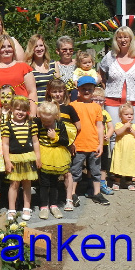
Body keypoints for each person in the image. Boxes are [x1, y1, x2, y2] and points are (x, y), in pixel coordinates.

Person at [70, 76, 109, 206]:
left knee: (96, 171)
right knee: (75, 171)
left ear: (93, 90)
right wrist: (72, 143)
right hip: (78, 145)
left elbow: (99, 126)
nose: (87, 91)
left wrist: (100, 144)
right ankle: (72, 194)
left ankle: (97, 193)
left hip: (93, 145)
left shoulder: (97, 107)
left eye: (90, 89)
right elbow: (70, 127)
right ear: (78, 90)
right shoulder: (73, 106)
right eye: (84, 89)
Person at [2, 96, 40, 221]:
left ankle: (27, 207)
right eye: (18, 109)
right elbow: (5, 144)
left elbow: (35, 142)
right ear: (12, 109)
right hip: (14, 158)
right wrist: (7, 161)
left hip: (28, 157)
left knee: (27, 184)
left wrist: (38, 157)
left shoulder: (31, 124)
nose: (21, 112)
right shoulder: (7, 126)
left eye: (24, 110)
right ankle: (12, 209)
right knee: (14, 184)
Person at [45, 78, 80, 211]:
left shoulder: (69, 108)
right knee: (49, 173)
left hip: (65, 144)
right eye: (54, 91)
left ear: (64, 92)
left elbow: (78, 126)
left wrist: (71, 141)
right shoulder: (46, 107)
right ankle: (49, 200)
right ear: (49, 92)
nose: (57, 94)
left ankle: (69, 199)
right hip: (48, 145)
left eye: (60, 91)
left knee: (67, 172)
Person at [0, 34, 38, 115]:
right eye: (2, 47)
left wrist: (32, 114)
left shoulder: (24, 67)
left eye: (9, 46)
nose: (6, 49)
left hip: (21, 115)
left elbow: (32, 92)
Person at [35, 101, 71, 220]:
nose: (46, 124)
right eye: (44, 121)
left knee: (54, 182)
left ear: (55, 116)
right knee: (44, 183)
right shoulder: (38, 123)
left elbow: (66, 141)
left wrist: (55, 137)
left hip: (57, 156)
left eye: (48, 121)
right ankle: (44, 206)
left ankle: (54, 205)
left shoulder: (60, 124)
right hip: (43, 155)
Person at [109, 104, 135, 191]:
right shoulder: (118, 124)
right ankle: (117, 182)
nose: (129, 116)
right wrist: (125, 126)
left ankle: (129, 182)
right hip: (121, 150)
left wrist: (132, 130)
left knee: (130, 165)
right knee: (119, 164)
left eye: (131, 114)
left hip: (131, 151)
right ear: (120, 116)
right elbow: (118, 133)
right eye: (126, 114)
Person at [92, 87, 115, 196]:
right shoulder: (90, 111)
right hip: (92, 144)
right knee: (92, 166)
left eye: (101, 100)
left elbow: (111, 127)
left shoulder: (105, 113)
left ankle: (102, 184)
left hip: (104, 144)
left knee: (103, 166)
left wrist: (108, 135)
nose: (98, 102)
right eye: (95, 100)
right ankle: (91, 186)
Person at [25, 34, 56, 103]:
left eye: (41, 45)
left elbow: (59, 86)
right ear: (31, 49)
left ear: (45, 47)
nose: (39, 49)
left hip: (52, 105)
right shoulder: (27, 67)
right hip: (36, 105)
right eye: (36, 46)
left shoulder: (53, 64)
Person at [51, 35, 77, 100]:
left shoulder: (78, 63)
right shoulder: (54, 65)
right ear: (58, 51)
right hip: (61, 99)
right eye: (64, 50)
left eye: (71, 50)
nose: (68, 52)